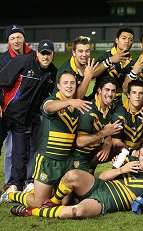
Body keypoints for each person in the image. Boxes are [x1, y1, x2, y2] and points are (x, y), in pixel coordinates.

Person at [0, 71, 92, 207]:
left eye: (72, 83)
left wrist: (87, 78)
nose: (69, 86)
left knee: (64, 203)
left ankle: (53, 191)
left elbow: (78, 98)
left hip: (66, 161)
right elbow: (49, 108)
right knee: (39, 203)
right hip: (48, 161)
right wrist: (70, 101)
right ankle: (12, 194)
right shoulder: (51, 101)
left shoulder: (76, 105)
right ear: (58, 86)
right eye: (65, 83)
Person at [10, 143, 143, 218]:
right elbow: (101, 177)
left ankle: (31, 212)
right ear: (139, 155)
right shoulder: (129, 164)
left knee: (77, 212)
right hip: (98, 186)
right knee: (72, 175)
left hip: (105, 202)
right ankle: (52, 201)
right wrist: (122, 170)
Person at [0, 40, 57, 192]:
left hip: (23, 121)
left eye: (48, 54)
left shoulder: (52, 73)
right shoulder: (22, 61)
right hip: (5, 114)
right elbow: (1, 80)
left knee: (20, 154)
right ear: (37, 53)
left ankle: (16, 186)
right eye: (42, 53)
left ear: (53, 55)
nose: (45, 56)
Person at [0, 24, 36, 193]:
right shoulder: (4, 58)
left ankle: (25, 182)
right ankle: (9, 182)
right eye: (12, 38)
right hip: (7, 111)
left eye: (18, 37)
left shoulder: (33, 56)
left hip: (27, 113)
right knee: (10, 150)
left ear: (23, 38)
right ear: (8, 41)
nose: (16, 40)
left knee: (25, 149)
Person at [71, 76, 122, 173]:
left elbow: (109, 132)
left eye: (113, 91)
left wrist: (107, 144)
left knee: (122, 152)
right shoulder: (88, 110)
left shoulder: (109, 108)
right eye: (107, 90)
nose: (110, 94)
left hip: (93, 152)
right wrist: (104, 133)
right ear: (99, 90)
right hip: (79, 156)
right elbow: (80, 142)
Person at [111, 80, 143, 151]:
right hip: (123, 152)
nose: (137, 96)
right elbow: (116, 142)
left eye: (140, 93)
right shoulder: (118, 113)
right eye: (134, 93)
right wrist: (130, 153)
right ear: (128, 95)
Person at [95, 28, 135, 103]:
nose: (127, 41)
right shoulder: (107, 56)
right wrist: (110, 60)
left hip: (117, 103)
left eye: (130, 39)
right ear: (117, 40)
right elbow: (93, 74)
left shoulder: (131, 63)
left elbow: (126, 90)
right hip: (99, 101)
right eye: (124, 38)